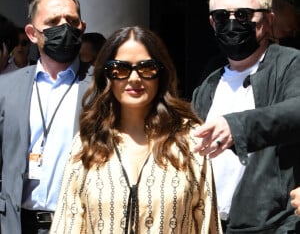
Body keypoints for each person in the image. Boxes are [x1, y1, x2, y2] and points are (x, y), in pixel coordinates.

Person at [50, 25, 222, 234]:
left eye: (146, 67)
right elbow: (67, 224)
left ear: (161, 73)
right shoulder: (87, 143)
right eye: (120, 69)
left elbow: (207, 225)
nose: (134, 78)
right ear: (108, 76)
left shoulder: (190, 141)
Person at [191, 0, 300, 233]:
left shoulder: (290, 63)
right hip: (212, 225)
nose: (232, 23)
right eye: (221, 16)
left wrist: (237, 127)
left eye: (242, 15)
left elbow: (295, 110)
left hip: (273, 226)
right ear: (212, 22)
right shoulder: (208, 82)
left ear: (268, 19)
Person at [0, 0, 93, 234]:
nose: (64, 27)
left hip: (77, 224)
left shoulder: (100, 87)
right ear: (32, 33)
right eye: (53, 21)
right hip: (17, 224)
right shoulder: (7, 87)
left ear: (82, 27)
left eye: (71, 21)